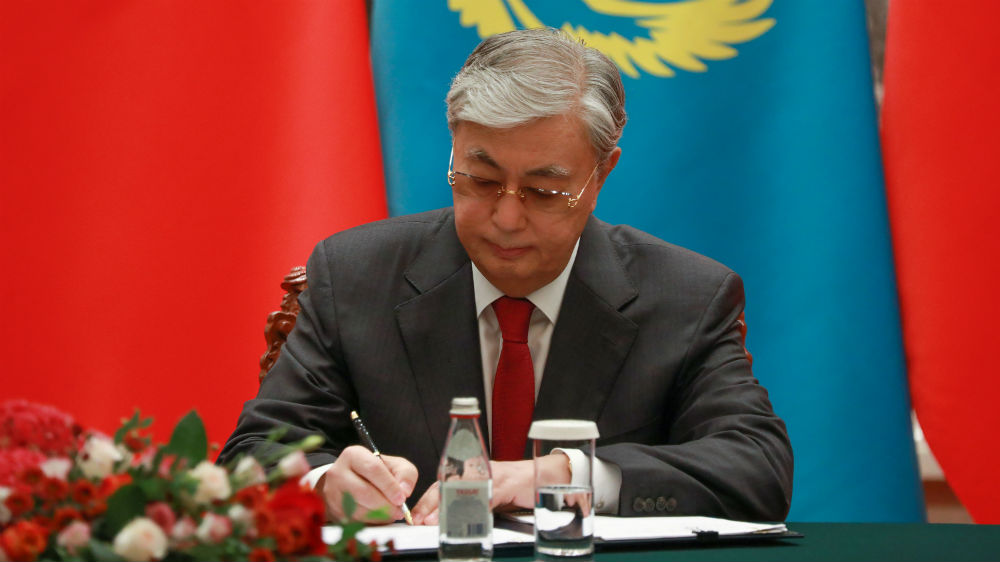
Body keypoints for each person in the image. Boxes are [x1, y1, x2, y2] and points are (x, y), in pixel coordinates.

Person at [219, 28, 793, 524]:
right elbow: (251, 454)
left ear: (600, 175)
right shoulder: (357, 275)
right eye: (482, 180)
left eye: (544, 191)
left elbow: (757, 468)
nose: (507, 218)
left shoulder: (685, 297)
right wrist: (324, 485)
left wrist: (563, 475)